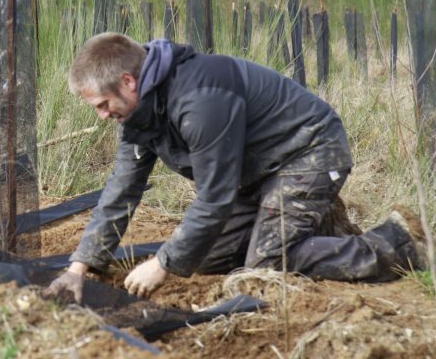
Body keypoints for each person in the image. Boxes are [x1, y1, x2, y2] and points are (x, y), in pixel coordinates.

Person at [46, 32, 426, 302]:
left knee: (267, 262)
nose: (100, 116)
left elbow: (215, 197)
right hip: (257, 172)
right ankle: (318, 226)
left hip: (308, 151)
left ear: (128, 81)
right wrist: (79, 267)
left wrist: (161, 263)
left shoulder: (199, 99)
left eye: (101, 104)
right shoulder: (140, 115)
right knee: (206, 259)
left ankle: (399, 244)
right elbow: (121, 189)